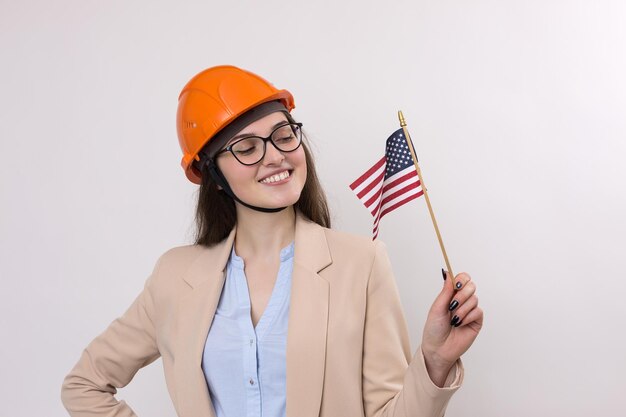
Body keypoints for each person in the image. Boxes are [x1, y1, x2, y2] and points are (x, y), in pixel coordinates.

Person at [61, 65, 483, 417]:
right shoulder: (174, 275)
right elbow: (85, 384)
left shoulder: (362, 263)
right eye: (247, 146)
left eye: (283, 136)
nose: (275, 156)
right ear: (214, 176)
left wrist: (435, 360)